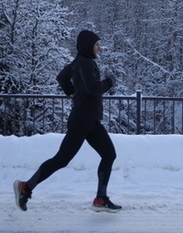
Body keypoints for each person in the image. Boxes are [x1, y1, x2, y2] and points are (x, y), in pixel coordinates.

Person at [13, 30, 121, 212]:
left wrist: (72, 91)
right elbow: (94, 89)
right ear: (88, 46)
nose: (99, 48)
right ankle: (26, 187)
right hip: (81, 121)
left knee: (109, 154)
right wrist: (110, 81)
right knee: (61, 160)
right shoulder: (86, 64)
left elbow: (62, 77)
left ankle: (101, 199)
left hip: (90, 120)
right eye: (97, 45)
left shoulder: (78, 62)